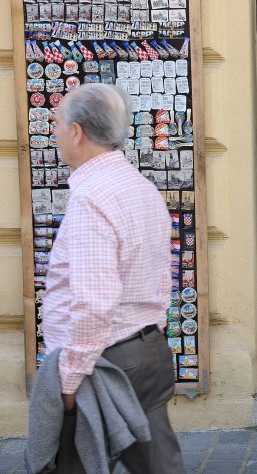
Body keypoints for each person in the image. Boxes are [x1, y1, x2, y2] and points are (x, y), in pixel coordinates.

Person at [40, 84, 183, 472]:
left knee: (72, 464)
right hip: (147, 350)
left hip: (105, 360)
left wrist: (69, 381)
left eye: (57, 123)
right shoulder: (140, 186)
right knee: (158, 465)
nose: (54, 133)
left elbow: (93, 300)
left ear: (76, 132)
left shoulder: (92, 197)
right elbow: (160, 273)